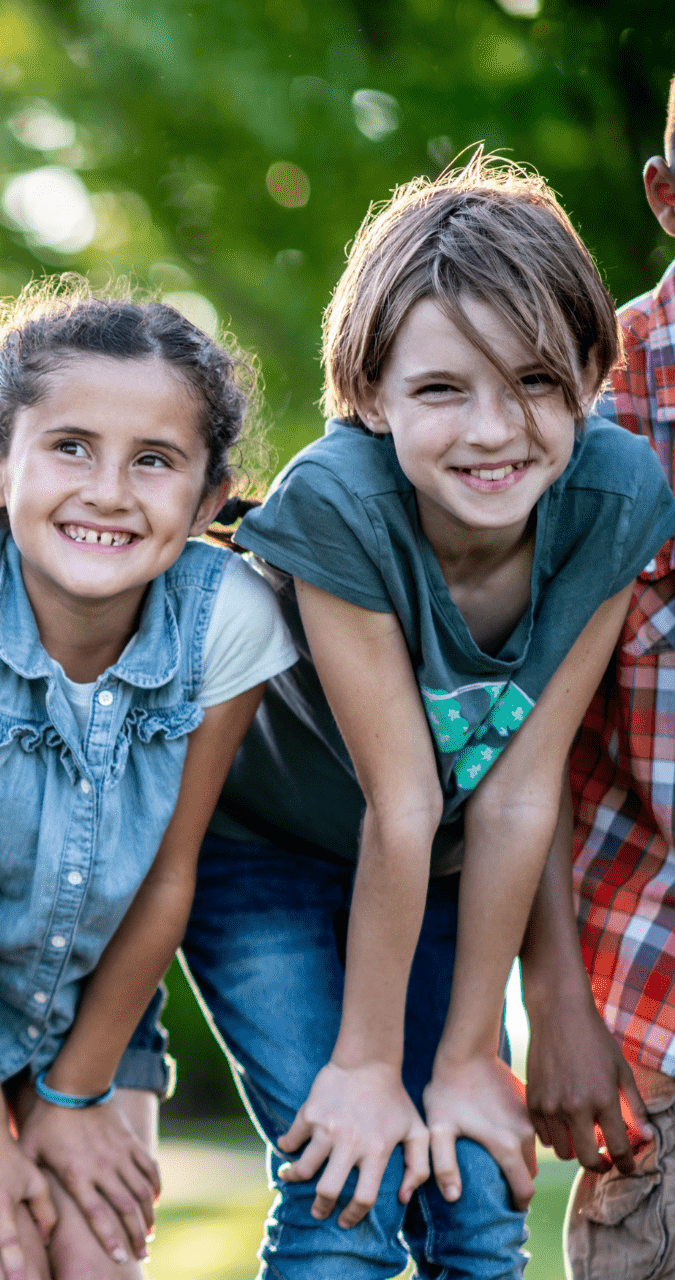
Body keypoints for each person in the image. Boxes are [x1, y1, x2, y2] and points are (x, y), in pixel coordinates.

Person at [189, 153, 675, 1279]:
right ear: (369, 396)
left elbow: (518, 788)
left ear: (595, 379)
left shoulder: (619, 497)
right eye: (442, 389)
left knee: (472, 1190)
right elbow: (400, 797)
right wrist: (366, 1063)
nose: (495, 431)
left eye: (537, 384)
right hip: (273, 854)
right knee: (347, 1183)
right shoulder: (340, 503)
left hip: (449, 860)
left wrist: (465, 1054)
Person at [0, 283, 292, 1280]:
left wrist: (72, 1089)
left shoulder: (230, 619)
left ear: (210, 495)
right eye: (71, 447)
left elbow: (173, 874)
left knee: (98, 1259)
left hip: (98, 986)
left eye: (155, 460)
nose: (108, 490)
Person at [525, 73, 675, 1280]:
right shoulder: (594, 406)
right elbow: (531, 744)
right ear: (668, 199)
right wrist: (557, 1004)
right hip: (656, 1013)